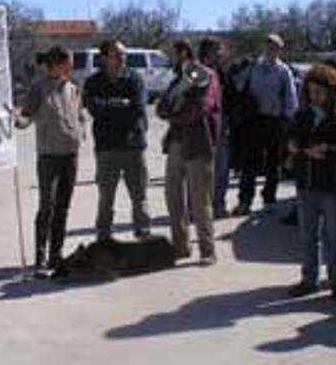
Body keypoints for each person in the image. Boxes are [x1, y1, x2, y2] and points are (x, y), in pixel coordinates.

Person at [286, 64, 336, 301]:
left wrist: (329, 150)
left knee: (335, 237)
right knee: (308, 236)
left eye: (319, 91)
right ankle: (309, 280)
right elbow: (289, 140)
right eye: (310, 91)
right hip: (306, 183)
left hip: (333, 184)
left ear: (331, 90)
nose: (314, 96)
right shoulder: (302, 114)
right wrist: (299, 149)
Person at [16, 46, 86, 275]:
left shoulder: (73, 88)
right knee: (47, 205)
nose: (71, 66)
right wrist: (19, 121)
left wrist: (80, 131)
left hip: (71, 155)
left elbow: (79, 115)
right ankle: (40, 255)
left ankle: (57, 254)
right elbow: (26, 115)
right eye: (69, 62)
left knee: (63, 207)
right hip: (49, 156)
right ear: (56, 64)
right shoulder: (39, 88)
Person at [156, 40, 221, 264]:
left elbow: (202, 108)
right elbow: (160, 108)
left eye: (174, 54)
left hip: (198, 143)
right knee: (173, 196)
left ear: (184, 53)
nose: (172, 59)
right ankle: (180, 246)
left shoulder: (208, 76)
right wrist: (174, 107)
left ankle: (207, 250)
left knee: (200, 200)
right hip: (176, 142)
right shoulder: (177, 79)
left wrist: (174, 113)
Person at [83, 39, 152, 240]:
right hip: (106, 148)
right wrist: (119, 103)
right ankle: (104, 235)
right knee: (106, 197)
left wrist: (109, 107)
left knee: (139, 194)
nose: (122, 58)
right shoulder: (93, 81)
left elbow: (137, 108)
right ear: (104, 58)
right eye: (117, 55)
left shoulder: (135, 79)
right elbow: (93, 108)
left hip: (133, 146)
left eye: (124, 54)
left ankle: (143, 231)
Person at [231, 34, 298, 216]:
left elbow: (291, 99)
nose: (271, 49)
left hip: (274, 122)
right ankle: (245, 201)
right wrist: (239, 70)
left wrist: (289, 121)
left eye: (275, 47)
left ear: (280, 50)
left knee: (273, 164)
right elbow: (238, 86)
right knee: (249, 163)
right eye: (268, 46)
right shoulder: (253, 67)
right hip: (254, 121)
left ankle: (269, 200)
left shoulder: (284, 71)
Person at [199, 37, 233, 219]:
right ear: (208, 51)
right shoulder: (196, 72)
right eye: (218, 50)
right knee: (200, 170)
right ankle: (198, 207)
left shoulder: (223, 72)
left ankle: (218, 204)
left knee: (221, 169)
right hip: (200, 128)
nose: (221, 54)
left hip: (222, 126)